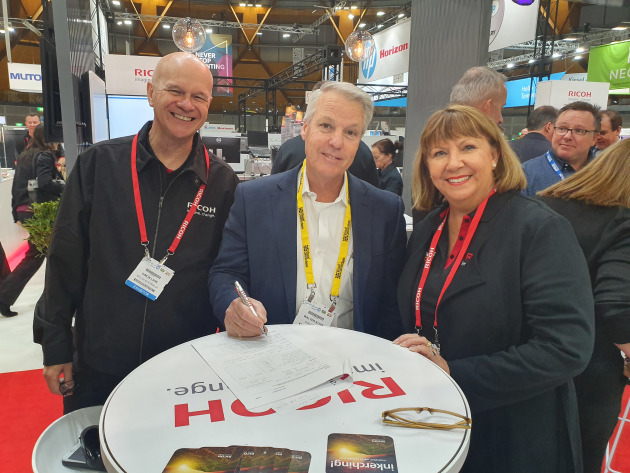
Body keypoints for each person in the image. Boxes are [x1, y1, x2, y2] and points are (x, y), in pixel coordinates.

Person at [35, 52, 239, 413]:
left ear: (209, 103)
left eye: (199, 97)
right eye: (174, 91)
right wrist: (56, 345)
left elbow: (225, 269)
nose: (186, 105)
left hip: (184, 367)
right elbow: (65, 258)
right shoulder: (99, 164)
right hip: (99, 362)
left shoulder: (222, 182)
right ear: (150, 92)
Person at [394, 104, 594, 473]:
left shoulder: (538, 229)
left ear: (496, 155)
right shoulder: (428, 228)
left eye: (467, 147)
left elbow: (566, 348)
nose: (453, 163)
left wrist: (454, 371)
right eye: (439, 153)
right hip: (439, 417)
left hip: (514, 430)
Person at [209, 81, 406, 340]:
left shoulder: (385, 211)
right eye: (326, 126)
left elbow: (391, 301)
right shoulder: (254, 200)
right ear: (305, 129)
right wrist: (232, 305)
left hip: (353, 359)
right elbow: (227, 273)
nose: (336, 141)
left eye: (350, 132)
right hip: (272, 351)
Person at [538, 139, 630, 473]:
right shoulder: (623, 221)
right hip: (590, 370)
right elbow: (615, 306)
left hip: (530, 358)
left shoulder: (546, 204)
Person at [0, 124, 64, 317]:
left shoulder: (26, 155)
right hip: (39, 212)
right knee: (37, 256)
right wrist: (66, 185)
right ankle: (4, 297)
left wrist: (16, 213)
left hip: (26, 210)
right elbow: (45, 183)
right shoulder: (43, 156)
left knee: (38, 256)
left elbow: (16, 189)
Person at [522, 101, 600, 196]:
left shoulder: (605, 176)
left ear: (594, 138)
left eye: (579, 131)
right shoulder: (526, 174)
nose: (567, 136)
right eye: (562, 128)